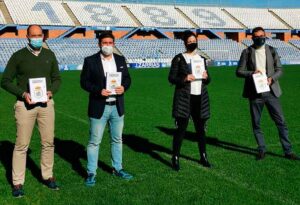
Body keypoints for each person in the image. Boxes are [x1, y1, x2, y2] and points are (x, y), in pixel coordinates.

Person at [1, 24, 61, 197]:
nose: (36, 38)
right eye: (33, 35)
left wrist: (51, 91)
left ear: (43, 36)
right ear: (27, 36)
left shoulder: (50, 54)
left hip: (46, 105)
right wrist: (22, 93)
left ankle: (48, 176)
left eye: (39, 35)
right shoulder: (18, 56)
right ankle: (18, 182)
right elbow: (5, 81)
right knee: (21, 145)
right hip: (24, 106)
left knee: (48, 143)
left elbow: (57, 79)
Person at [236, 26, 299, 160]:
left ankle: (288, 150)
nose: (260, 38)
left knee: (281, 121)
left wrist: (272, 78)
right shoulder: (247, 52)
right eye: (257, 36)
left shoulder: (271, 50)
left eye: (262, 36)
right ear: (252, 37)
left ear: (265, 36)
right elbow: (239, 71)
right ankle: (262, 149)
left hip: (271, 92)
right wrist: (252, 73)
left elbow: (280, 69)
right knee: (256, 123)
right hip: (255, 93)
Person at [80, 32, 133, 186]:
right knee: (94, 142)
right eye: (105, 42)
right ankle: (91, 173)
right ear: (99, 44)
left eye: (110, 42)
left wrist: (124, 87)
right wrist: (98, 90)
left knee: (117, 139)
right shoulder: (90, 61)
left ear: (114, 43)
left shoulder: (120, 59)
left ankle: (117, 168)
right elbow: (84, 82)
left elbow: (128, 79)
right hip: (99, 106)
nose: (107, 45)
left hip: (117, 106)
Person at [168, 31, 211, 171]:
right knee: (181, 130)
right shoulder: (179, 58)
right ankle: (175, 157)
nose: (193, 42)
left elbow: (208, 80)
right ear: (185, 43)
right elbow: (171, 78)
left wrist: (206, 77)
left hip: (200, 98)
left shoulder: (202, 59)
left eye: (194, 40)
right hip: (184, 98)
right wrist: (184, 79)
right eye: (190, 41)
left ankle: (203, 156)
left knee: (200, 130)